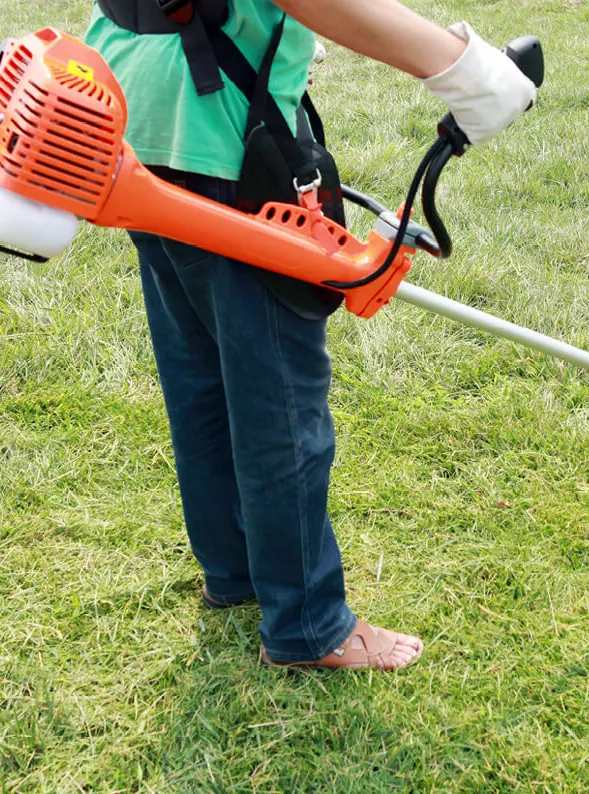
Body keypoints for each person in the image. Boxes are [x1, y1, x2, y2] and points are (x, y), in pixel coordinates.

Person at [84, 0, 535, 671]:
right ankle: (307, 625)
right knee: (280, 403)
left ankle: (233, 569)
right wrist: (463, 67)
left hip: (137, 116)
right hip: (221, 136)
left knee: (199, 372)